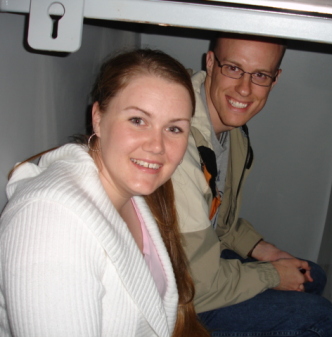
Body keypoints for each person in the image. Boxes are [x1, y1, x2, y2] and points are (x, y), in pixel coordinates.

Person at [0, 49, 209, 337]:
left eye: (174, 128)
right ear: (98, 118)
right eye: (138, 120)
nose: (157, 146)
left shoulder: (136, 195)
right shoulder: (52, 222)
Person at [172, 33, 332, 336]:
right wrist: (271, 274)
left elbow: (216, 218)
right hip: (175, 295)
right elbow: (196, 286)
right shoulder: (178, 145)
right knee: (320, 319)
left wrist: (261, 249)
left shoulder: (232, 133)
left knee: (312, 276)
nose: (245, 88)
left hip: (200, 260)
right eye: (233, 68)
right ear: (211, 63)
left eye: (260, 74)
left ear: (275, 79)